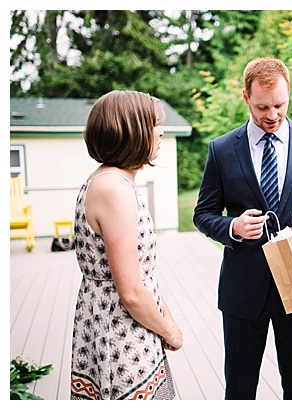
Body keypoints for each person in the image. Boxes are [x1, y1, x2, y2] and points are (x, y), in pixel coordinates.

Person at [193, 57, 292, 399]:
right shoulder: (221, 150)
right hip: (243, 292)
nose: (272, 115)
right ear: (245, 97)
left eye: (280, 104)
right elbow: (202, 213)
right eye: (262, 106)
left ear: (289, 94)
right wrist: (232, 227)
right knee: (240, 391)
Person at [71, 90, 182, 400]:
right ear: (130, 131)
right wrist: (170, 331)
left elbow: (142, 276)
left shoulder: (113, 182)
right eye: (154, 124)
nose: (161, 132)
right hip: (121, 338)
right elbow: (131, 293)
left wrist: (165, 318)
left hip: (130, 329)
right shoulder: (113, 190)